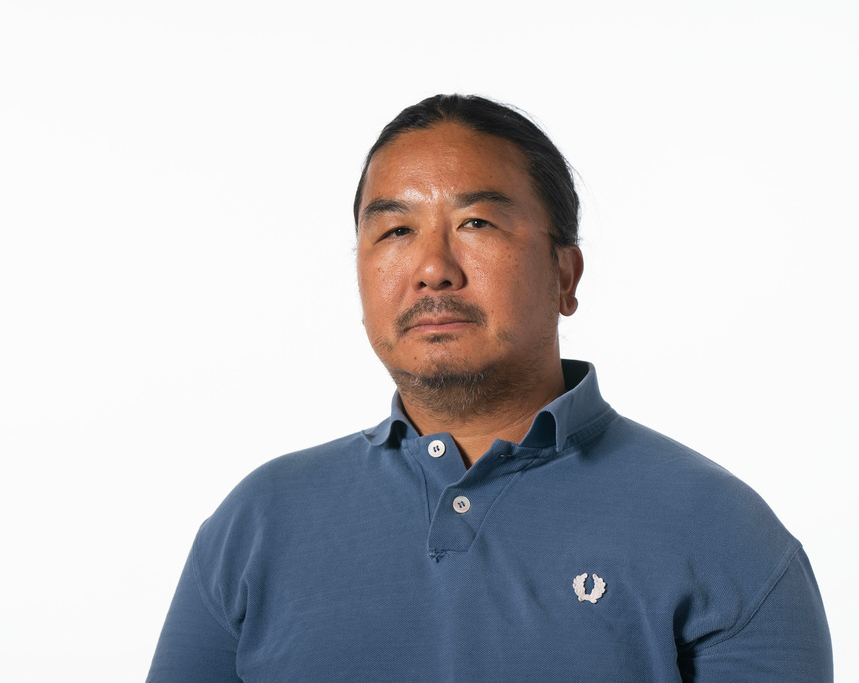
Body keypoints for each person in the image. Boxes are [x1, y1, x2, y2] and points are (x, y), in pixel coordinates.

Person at [146, 94, 832, 681]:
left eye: (476, 223)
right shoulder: (258, 523)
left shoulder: (721, 532)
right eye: (395, 230)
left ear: (565, 275)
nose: (433, 269)